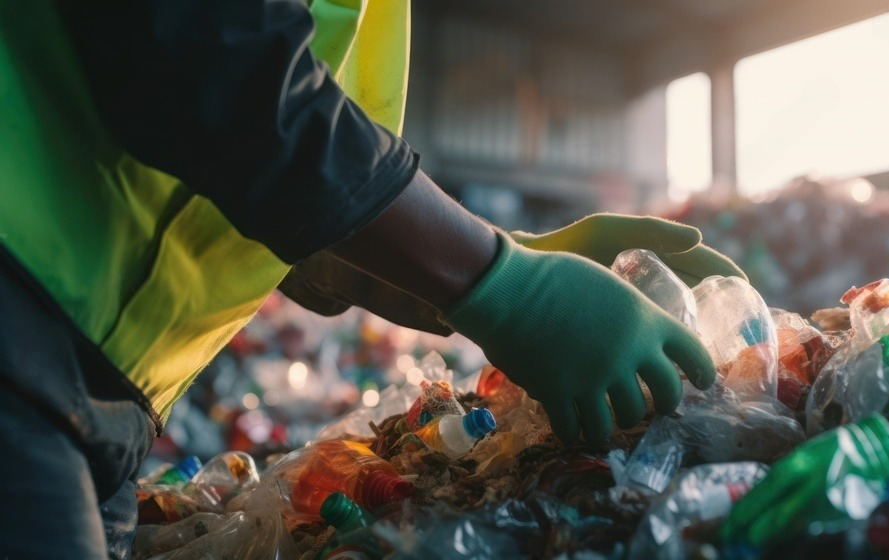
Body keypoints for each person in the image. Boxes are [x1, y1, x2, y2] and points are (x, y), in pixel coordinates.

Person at [0, 0, 744, 557]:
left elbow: (273, 207)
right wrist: (496, 277)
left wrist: (502, 265)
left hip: (93, 378)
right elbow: (210, 62)